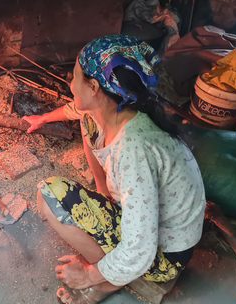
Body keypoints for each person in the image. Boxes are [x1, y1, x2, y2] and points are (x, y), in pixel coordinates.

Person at [22, 35, 206, 304]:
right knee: (89, 120)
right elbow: (78, 109)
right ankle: (104, 194)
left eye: (74, 78)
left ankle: (107, 283)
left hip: (164, 255)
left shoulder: (134, 150)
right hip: (156, 226)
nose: (71, 84)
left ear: (95, 86)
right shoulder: (123, 104)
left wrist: (88, 275)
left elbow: (140, 249)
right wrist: (44, 118)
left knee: (49, 194)